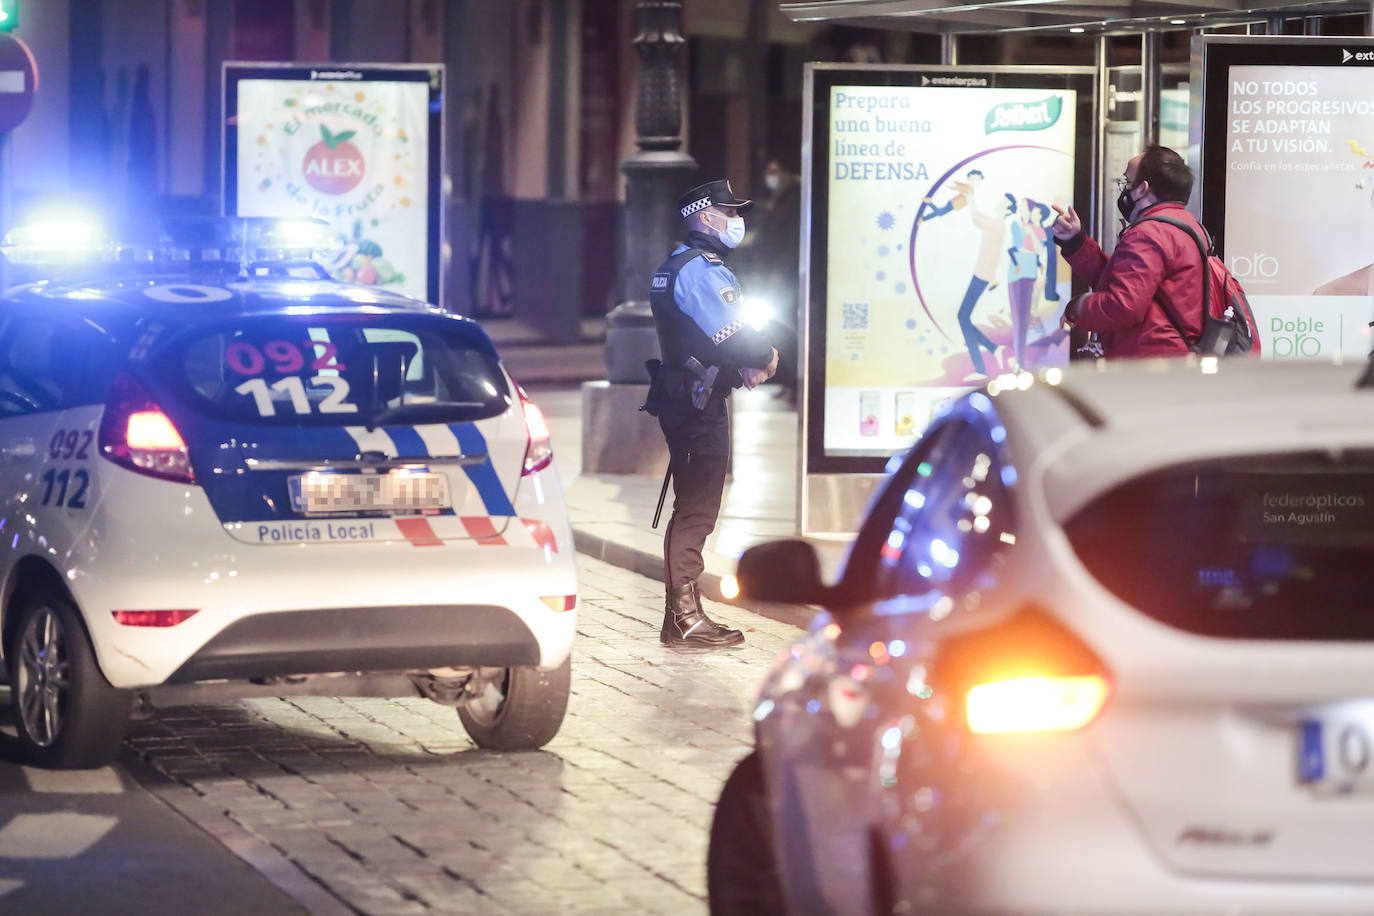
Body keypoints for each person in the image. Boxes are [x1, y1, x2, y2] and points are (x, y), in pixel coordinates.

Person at [646, 180, 779, 649]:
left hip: (683, 396)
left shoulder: (673, 266)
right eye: (728, 212)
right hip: (696, 404)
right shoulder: (701, 271)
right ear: (705, 217)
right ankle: (684, 619)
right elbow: (736, 332)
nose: (735, 220)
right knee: (698, 509)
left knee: (692, 505)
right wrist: (763, 355)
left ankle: (680, 617)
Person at [1052, 146, 1208, 358]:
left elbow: (1123, 305)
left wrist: (1078, 307)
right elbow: (1124, 281)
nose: (1123, 190)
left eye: (1127, 182)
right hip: (1171, 358)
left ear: (1143, 188)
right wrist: (1076, 241)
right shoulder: (1185, 226)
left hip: (1152, 363)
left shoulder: (1150, 233)